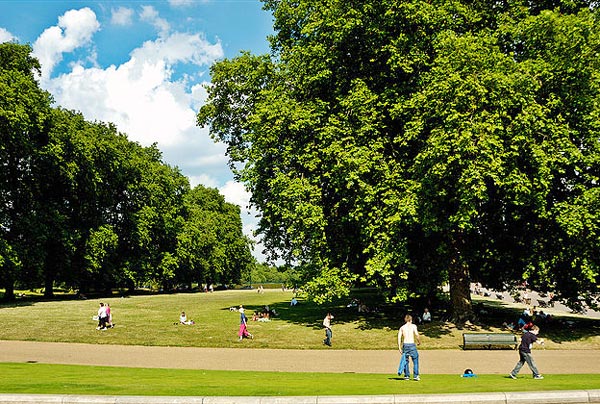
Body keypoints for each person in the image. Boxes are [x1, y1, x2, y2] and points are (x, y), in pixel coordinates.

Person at [398, 314, 421, 381]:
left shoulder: (402, 327)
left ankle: (407, 375)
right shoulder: (413, 326)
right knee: (415, 360)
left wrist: (399, 347)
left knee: (406, 360)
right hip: (411, 344)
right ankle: (416, 375)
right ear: (410, 320)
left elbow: (399, 337)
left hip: (405, 344)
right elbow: (417, 335)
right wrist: (419, 341)